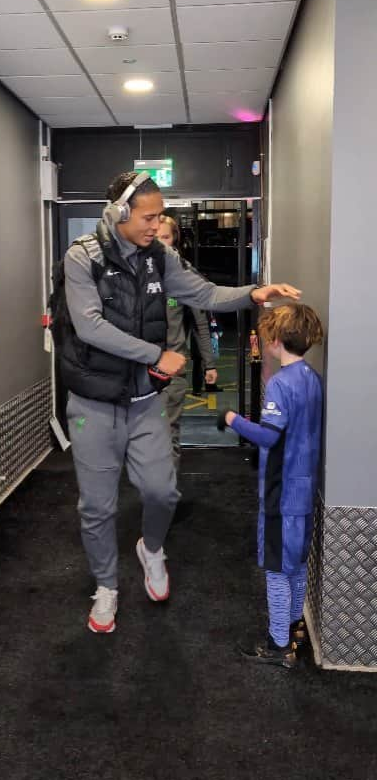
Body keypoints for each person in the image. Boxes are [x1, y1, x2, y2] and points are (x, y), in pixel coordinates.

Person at [62, 170, 301, 634]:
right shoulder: (82, 259)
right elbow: (89, 326)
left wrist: (253, 293)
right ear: (118, 214)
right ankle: (106, 587)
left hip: (144, 398)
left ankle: (151, 548)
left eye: (160, 217)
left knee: (162, 491)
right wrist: (157, 354)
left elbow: (204, 293)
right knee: (97, 506)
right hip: (92, 401)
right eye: (149, 217)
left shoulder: (160, 257)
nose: (156, 224)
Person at [217, 303, 323, 668]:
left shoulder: (280, 383)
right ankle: (293, 629)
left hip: (281, 494)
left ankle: (279, 646)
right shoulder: (313, 378)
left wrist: (232, 418)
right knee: (293, 566)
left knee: (277, 571)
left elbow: (267, 437)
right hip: (305, 491)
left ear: (276, 341)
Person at [157, 213, 217, 473]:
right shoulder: (135, 274)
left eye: (166, 237)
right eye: (156, 237)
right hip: (137, 371)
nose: (160, 242)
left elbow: (200, 324)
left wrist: (209, 365)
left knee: (167, 432)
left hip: (171, 372)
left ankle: (165, 493)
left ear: (175, 240)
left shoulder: (183, 275)